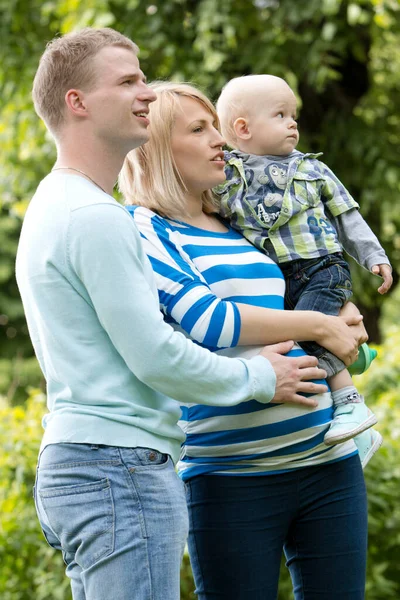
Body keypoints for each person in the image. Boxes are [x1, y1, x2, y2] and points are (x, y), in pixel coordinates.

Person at [15, 30, 332, 600]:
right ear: (77, 102)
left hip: (88, 462)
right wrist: (261, 377)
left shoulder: (55, 203)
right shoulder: (95, 216)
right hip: (119, 469)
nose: (145, 92)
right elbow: (157, 355)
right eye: (128, 80)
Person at [120, 81, 371, 599]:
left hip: (327, 462)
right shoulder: (145, 227)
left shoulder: (242, 221)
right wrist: (316, 326)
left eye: (216, 125)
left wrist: (343, 324)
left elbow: (302, 292)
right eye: (199, 128)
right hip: (230, 478)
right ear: (157, 146)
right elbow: (208, 320)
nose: (220, 139)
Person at [215, 74, 392, 446]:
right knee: (295, 336)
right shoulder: (228, 176)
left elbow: (346, 215)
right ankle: (353, 363)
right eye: (280, 115)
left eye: (293, 114)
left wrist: (373, 256)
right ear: (242, 128)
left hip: (321, 269)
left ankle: (350, 404)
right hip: (276, 277)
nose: (293, 122)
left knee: (304, 337)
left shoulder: (311, 168)